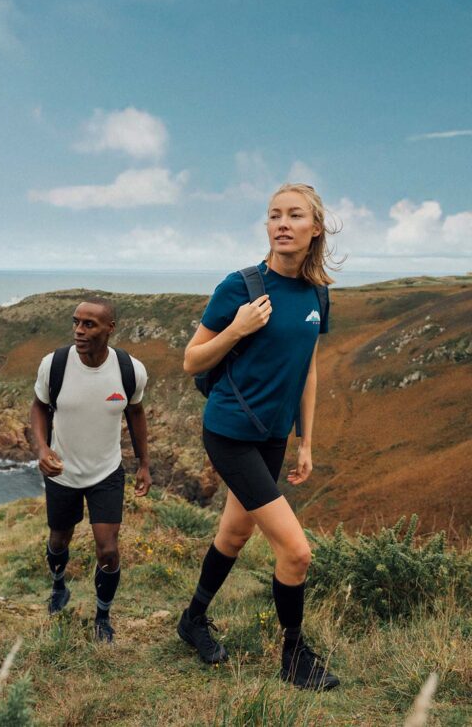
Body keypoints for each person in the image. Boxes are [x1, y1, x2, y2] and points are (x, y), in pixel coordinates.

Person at [177, 183, 340, 690]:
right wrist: (236, 329)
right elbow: (191, 360)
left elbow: (306, 369)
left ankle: (192, 620)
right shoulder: (240, 286)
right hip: (229, 431)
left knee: (235, 533)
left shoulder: (317, 295)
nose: (282, 224)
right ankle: (294, 657)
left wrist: (305, 441)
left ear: (315, 228)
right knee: (297, 552)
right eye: (274, 215)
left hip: (271, 436)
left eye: (295, 216)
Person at [30, 297, 151, 643]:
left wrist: (144, 463)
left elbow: (136, 413)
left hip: (106, 473)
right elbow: (38, 407)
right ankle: (58, 586)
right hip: (62, 473)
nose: (78, 331)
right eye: (76, 323)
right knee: (58, 539)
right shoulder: (54, 365)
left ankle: (103, 616)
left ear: (110, 329)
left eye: (89, 324)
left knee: (108, 550)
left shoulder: (130, 371)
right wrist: (42, 448)